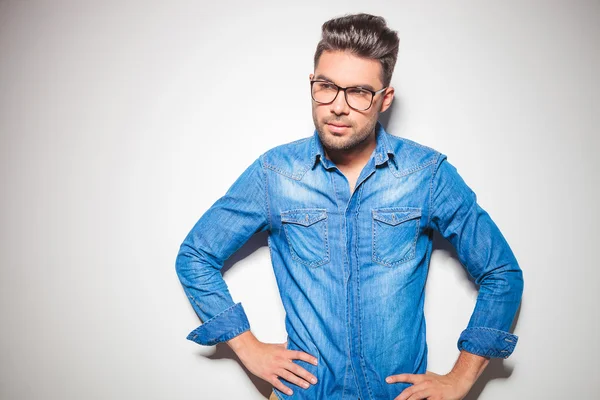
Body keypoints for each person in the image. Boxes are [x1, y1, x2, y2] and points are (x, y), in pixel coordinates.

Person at [175, 12, 523, 400]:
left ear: (384, 98)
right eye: (327, 86)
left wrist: (460, 378)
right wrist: (247, 347)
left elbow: (501, 274)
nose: (338, 107)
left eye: (358, 92)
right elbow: (195, 255)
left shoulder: (427, 175)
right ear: (312, 84)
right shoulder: (276, 174)